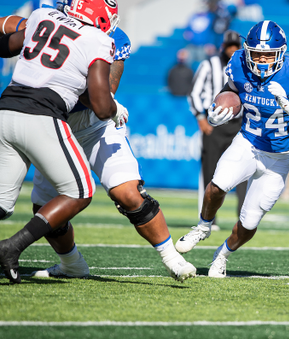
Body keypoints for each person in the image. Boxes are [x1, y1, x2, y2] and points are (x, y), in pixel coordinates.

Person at [20, 2, 196, 282]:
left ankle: (171, 257)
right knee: (44, 209)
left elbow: (103, 94)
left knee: (128, 193)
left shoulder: (116, 39)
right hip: (54, 124)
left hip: (95, 124)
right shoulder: (51, 21)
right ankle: (72, 264)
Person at [177, 20, 289, 278]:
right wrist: (217, 111)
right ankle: (202, 226)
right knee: (217, 185)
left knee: (249, 222)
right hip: (248, 142)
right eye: (256, 53)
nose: (262, 60)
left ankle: (221, 255)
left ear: (281, 53)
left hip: (279, 157)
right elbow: (231, 90)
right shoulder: (238, 63)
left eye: (268, 54)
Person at [0, 0, 124, 283]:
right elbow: (101, 106)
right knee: (80, 191)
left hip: (5, 109)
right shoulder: (98, 39)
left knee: (2, 203)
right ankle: (12, 247)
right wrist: (116, 110)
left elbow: (6, 46)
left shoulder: (43, 15)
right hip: (42, 114)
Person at [186, 29, 247, 229]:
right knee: (210, 171)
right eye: (228, 47)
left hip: (238, 125)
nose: (231, 50)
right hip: (214, 125)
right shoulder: (208, 65)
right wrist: (201, 118)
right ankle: (208, 218)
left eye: (235, 47)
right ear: (223, 47)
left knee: (244, 170)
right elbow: (194, 93)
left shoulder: (246, 67)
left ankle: (244, 218)